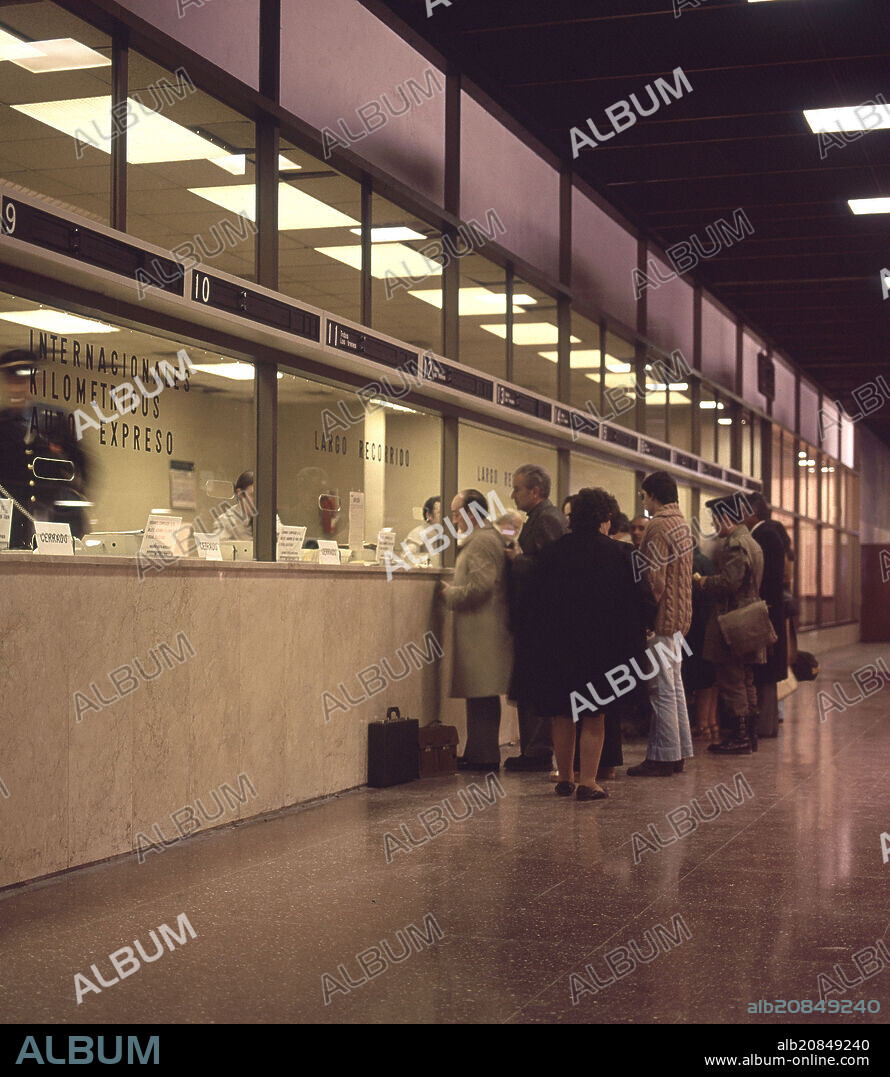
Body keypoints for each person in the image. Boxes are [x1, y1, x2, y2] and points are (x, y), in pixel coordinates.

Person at [530, 488, 642, 800]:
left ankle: (565, 777)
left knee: (562, 713)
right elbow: (635, 604)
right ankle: (588, 781)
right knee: (595, 714)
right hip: (601, 648)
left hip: (558, 647)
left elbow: (535, 603)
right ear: (605, 518)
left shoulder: (552, 553)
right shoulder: (621, 554)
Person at [627, 471, 694, 777]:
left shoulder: (658, 525)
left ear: (653, 495)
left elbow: (654, 580)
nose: (643, 502)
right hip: (680, 618)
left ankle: (664, 756)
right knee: (674, 686)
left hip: (661, 619)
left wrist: (645, 616)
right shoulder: (682, 524)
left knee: (661, 689)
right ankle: (678, 752)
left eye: (644, 496)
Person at [440, 490, 512, 770]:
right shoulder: (487, 537)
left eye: (456, 513)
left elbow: (481, 586)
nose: (454, 520)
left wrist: (451, 594)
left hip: (482, 632)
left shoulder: (481, 541)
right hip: (482, 630)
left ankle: (484, 756)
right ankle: (478, 752)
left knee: (482, 693)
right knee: (480, 694)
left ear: (471, 513)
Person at [504, 464, 568, 771]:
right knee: (529, 685)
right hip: (533, 618)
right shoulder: (538, 518)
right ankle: (532, 748)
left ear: (535, 491)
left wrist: (518, 560)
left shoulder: (548, 520)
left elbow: (555, 567)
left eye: (517, 488)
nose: (512, 495)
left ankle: (538, 750)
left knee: (536, 685)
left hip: (542, 621)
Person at [696, 494, 765, 755]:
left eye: (715, 520)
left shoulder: (735, 545)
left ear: (725, 518)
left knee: (732, 678)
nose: (714, 526)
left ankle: (740, 736)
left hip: (733, 621)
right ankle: (750, 734)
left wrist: (704, 581)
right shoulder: (752, 542)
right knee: (746, 678)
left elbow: (729, 583)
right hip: (750, 618)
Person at [740, 492, 788, 739]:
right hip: (771, 610)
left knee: (765, 671)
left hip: (764, 610)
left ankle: (764, 726)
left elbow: (762, 579)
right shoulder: (773, 532)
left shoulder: (764, 535)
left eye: (742, 511)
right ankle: (766, 724)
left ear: (753, 512)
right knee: (767, 672)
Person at [683, 545, 719, 744]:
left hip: (696, 628)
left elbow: (691, 597)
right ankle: (711, 723)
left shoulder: (692, 563)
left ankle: (702, 724)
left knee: (701, 677)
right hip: (710, 624)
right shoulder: (706, 560)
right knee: (711, 678)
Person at [214, 470, 256, 540]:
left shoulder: (268, 519)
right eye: (253, 495)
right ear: (240, 494)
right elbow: (218, 545)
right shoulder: (226, 522)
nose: (258, 500)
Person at [404, 495, 442, 559]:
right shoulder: (417, 535)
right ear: (428, 515)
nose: (446, 516)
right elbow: (407, 559)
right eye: (441, 513)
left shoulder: (448, 533)